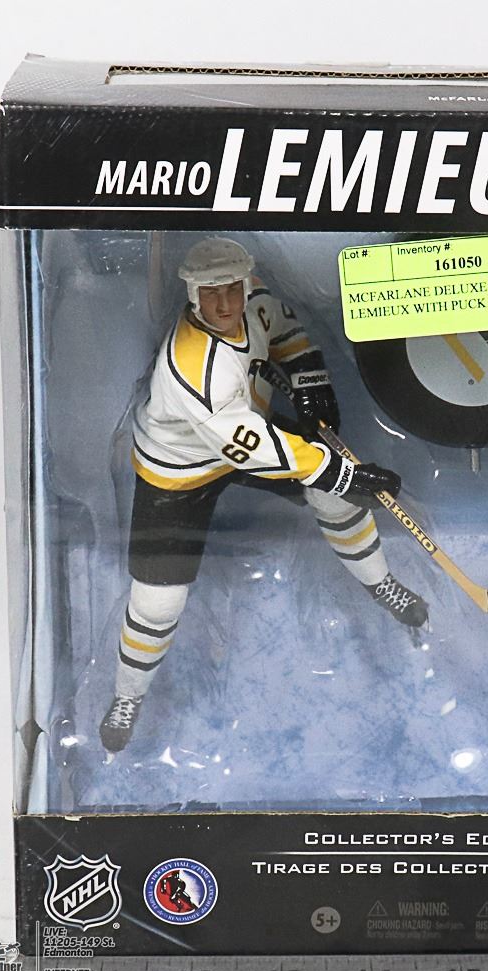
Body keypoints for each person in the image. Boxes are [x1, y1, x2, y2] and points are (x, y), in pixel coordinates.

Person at [100, 237, 428, 752]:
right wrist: (342, 473)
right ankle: (127, 696)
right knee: (158, 603)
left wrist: (309, 376)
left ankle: (380, 583)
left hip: (244, 434)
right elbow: (256, 447)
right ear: (193, 294)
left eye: (232, 288)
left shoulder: (253, 303)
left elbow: (282, 326)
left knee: (334, 498)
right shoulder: (193, 370)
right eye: (212, 293)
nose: (225, 303)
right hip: (178, 471)